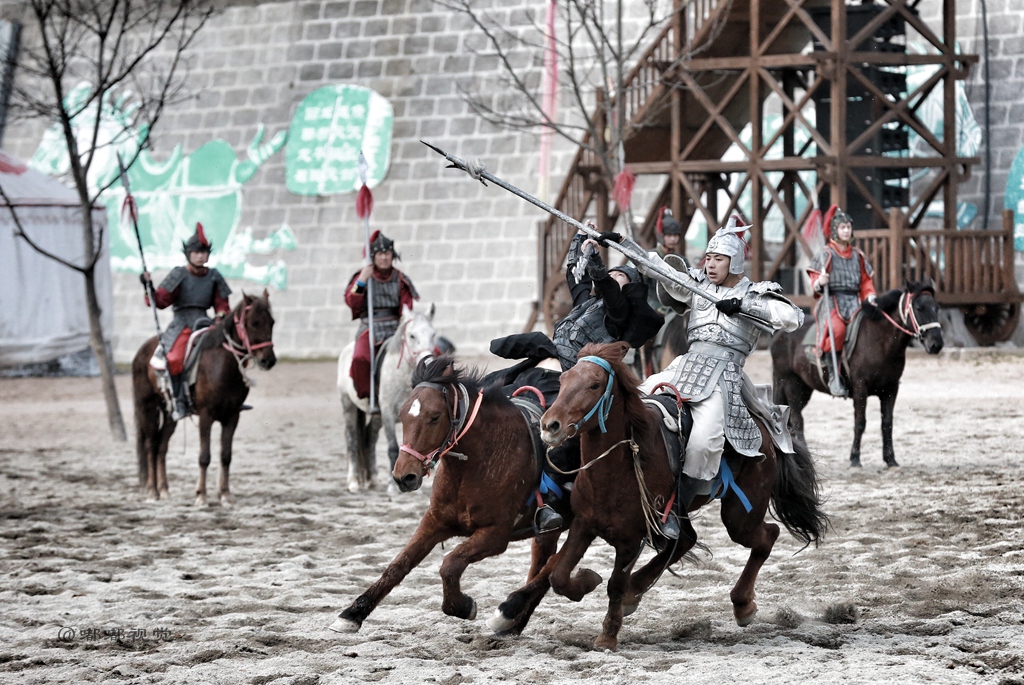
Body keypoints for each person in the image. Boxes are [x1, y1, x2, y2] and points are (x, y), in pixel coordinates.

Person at [612, 216, 803, 539]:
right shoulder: (697, 285)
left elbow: (792, 317)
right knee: (633, 405)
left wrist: (742, 305)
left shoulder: (755, 293)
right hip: (685, 366)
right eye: (709, 258)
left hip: (724, 378)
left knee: (703, 443)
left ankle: (675, 510)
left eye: (719, 259)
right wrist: (620, 241)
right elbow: (659, 268)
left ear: (735, 261)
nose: (711, 265)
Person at [142, 222, 232, 421]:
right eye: (196, 252)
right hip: (182, 324)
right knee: (173, 359)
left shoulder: (214, 276)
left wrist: (220, 316)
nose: (201, 255)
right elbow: (161, 301)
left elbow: (222, 303)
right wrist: (148, 285)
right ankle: (179, 400)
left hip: (207, 323)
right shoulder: (179, 274)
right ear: (189, 254)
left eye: (204, 252)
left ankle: (230, 398)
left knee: (228, 355)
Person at [807, 205, 877, 397]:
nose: (846, 231)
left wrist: (869, 295)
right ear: (835, 230)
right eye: (842, 227)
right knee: (837, 331)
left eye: (848, 227)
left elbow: (865, 281)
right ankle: (833, 377)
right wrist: (820, 282)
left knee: (869, 330)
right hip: (831, 300)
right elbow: (813, 281)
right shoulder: (825, 255)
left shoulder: (858, 256)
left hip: (855, 302)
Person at [345, 230, 419, 404]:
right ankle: (370, 397)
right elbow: (352, 301)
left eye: (387, 253)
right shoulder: (362, 277)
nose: (384, 258)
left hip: (395, 327)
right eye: (380, 254)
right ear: (374, 256)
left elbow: (407, 307)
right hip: (370, 326)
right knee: (360, 358)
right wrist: (362, 280)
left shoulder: (400, 279)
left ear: (392, 256)